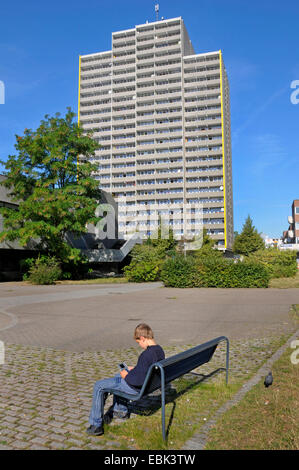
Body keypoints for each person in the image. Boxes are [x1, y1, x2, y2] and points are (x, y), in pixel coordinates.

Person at [86, 323, 165, 436]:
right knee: (118, 376)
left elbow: (137, 381)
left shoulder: (146, 354)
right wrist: (136, 369)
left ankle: (96, 425)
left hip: (137, 388)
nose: (139, 345)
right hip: (150, 384)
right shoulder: (159, 350)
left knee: (99, 386)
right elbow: (147, 369)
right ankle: (120, 411)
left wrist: (126, 376)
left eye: (139, 342)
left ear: (142, 338)